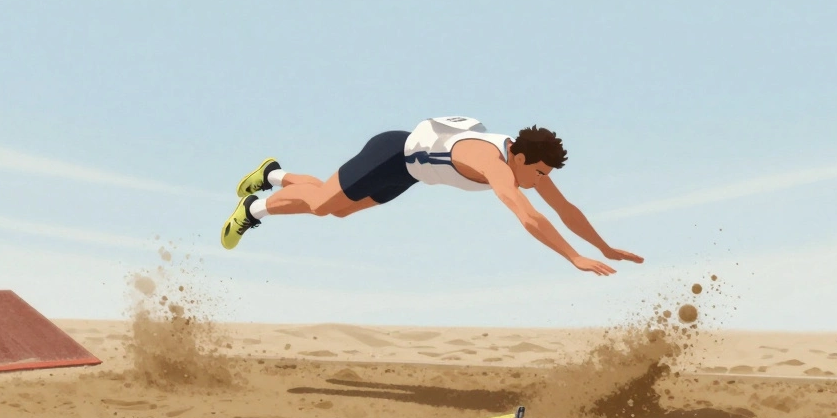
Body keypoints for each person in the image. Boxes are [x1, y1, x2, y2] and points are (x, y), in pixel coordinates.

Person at [219, 116, 643, 275]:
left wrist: (604, 247)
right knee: (320, 205)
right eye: (538, 172)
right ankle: (254, 207)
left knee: (339, 213)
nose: (540, 180)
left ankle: (274, 174)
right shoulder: (495, 165)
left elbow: (565, 208)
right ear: (519, 155)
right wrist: (573, 257)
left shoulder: (525, 165)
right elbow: (528, 215)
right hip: (389, 153)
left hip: (409, 174)